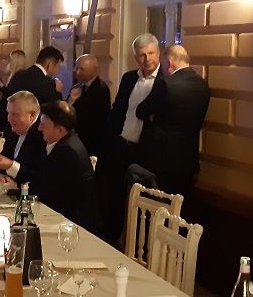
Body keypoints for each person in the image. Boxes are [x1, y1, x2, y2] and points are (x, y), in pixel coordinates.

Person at [97, 32, 162, 244]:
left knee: (141, 203)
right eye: (142, 55)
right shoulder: (129, 78)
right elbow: (119, 110)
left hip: (145, 150)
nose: (147, 59)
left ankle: (137, 245)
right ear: (136, 58)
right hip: (121, 144)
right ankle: (110, 240)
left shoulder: (165, 81)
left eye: (151, 53)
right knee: (114, 196)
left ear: (158, 53)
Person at [135, 44, 210, 197]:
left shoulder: (166, 84)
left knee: (159, 206)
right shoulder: (203, 85)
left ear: (169, 63)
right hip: (189, 160)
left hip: (163, 161)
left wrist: (153, 117)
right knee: (181, 206)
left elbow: (141, 111)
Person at [27, 101, 100, 233]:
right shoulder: (64, 143)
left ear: (60, 130)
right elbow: (42, 179)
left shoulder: (68, 151)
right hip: (61, 213)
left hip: (75, 227)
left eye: (44, 126)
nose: (39, 129)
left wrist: (20, 188)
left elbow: (44, 190)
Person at [0, 91, 46, 185]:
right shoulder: (15, 127)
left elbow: (40, 177)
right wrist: (0, 174)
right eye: (8, 113)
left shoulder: (43, 135)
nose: (9, 119)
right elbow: (4, 158)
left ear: (32, 115)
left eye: (15, 114)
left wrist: (11, 166)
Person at [68, 54, 111, 158]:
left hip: (91, 142)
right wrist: (71, 101)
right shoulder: (77, 87)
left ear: (94, 71)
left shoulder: (101, 89)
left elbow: (97, 120)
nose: (77, 72)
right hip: (75, 139)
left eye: (81, 69)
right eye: (76, 67)